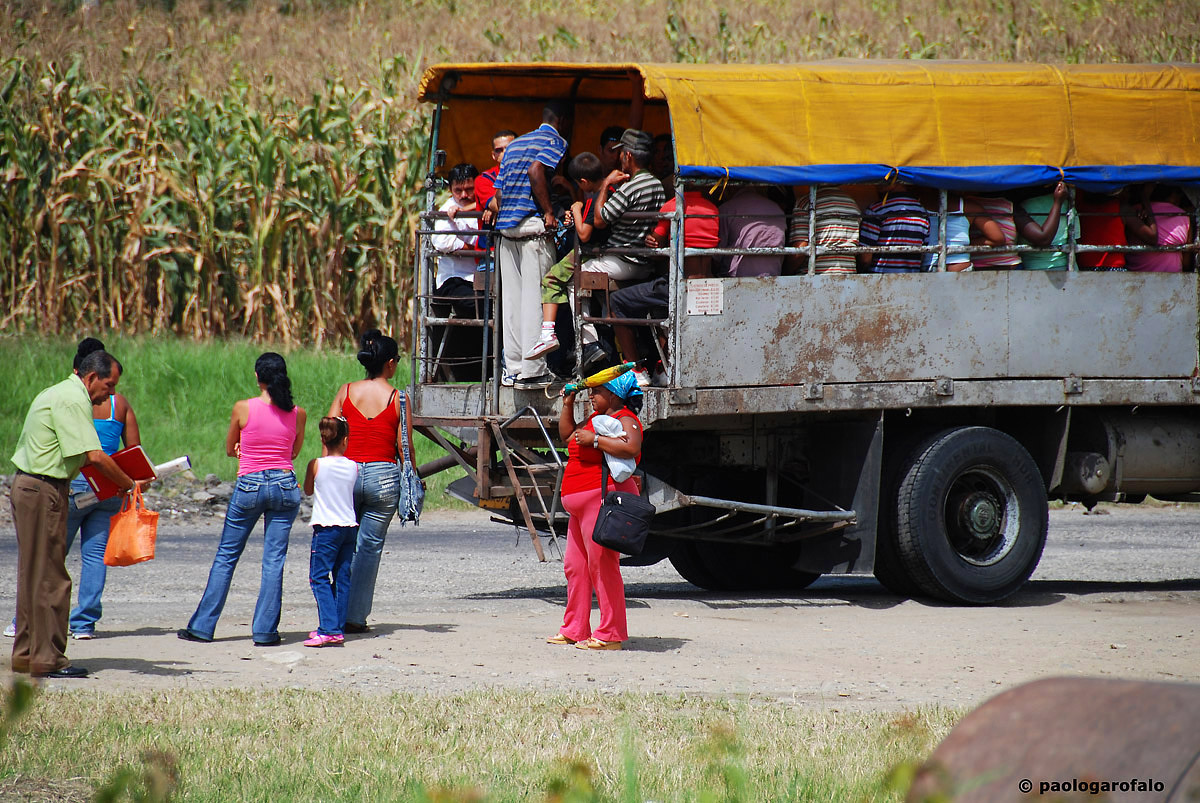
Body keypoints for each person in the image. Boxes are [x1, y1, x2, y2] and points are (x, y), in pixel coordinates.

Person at [11, 350, 139, 679]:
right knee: (53, 577)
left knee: (33, 574)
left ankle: (26, 654)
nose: (110, 393)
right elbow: (93, 455)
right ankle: (49, 658)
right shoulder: (73, 400)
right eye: (109, 385)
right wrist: (127, 483)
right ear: (91, 377)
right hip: (44, 490)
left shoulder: (57, 392)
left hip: (32, 486)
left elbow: (81, 457)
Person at [178, 353, 305, 646]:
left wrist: (242, 448)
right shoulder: (298, 412)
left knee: (227, 556)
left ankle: (202, 627)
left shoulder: (243, 407)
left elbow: (229, 448)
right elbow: (293, 452)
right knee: (274, 560)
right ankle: (265, 631)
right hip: (285, 484)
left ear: (257, 377)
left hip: (250, 484)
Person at [549, 370, 644, 651]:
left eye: (596, 390)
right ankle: (575, 628)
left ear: (613, 394)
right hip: (579, 504)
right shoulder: (594, 419)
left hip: (601, 501)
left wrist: (595, 441)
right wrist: (568, 402)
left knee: (601, 565)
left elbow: (632, 446)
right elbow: (567, 435)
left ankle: (611, 634)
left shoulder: (624, 418)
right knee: (575, 567)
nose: (590, 395)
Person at [326, 329, 414, 634]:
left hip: (346, 474)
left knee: (340, 544)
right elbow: (404, 446)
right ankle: (355, 617)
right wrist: (412, 478)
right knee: (369, 548)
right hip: (384, 478)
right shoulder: (398, 398)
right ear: (389, 364)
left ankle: (333, 614)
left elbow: (329, 434)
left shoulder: (346, 391)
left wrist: (327, 471)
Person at [486, 101, 571, 389]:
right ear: (561, 119)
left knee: (512, 303)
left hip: (507, 231)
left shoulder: (516, 144)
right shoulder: (554, 140)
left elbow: (498, 192)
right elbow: (537, 171)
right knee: (536, 299)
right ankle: (533, 372)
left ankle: (513, 369)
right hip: (533, 229)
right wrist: (548, 210)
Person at [610, 184, 720, 387]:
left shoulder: (672, 205)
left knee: (617, 300)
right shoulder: (712, 208)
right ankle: (664, 367)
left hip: (681, 283)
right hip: (708, 282)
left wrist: (652, 239)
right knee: (660, 307)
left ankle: (636, 370)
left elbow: (657, 240)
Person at [525, 152, 610, 367]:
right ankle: (581, 341)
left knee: (551, 280)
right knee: (564, 287)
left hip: (587, 251)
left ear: (583, 182)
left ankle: (548, 334)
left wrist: (578, 209)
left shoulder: (593, 199)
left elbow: (584, 234)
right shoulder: (609, 192)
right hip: (599, 251)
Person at [302, 417, 359, 647]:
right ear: (345, 441)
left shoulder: (316, 464)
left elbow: (307, 490)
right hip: (349, 527)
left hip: (326, 528)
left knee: (318, 577)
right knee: (342, 578)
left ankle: (329, 628)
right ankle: (336, 626)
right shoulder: (353, 466)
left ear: (322, 439)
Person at [431, 162, 484, 318]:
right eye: (458, 191)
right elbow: (442, 241)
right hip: (454, 280)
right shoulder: (446, 210)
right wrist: (476, 250)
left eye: (469, 189)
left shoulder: (483, 207)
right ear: (451, 190)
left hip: (480, 279)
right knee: (481, 304)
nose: (463, 195)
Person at [787, 187, 862, 275]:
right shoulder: (852, 204)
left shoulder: (806, 202)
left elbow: (800, 251)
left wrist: (784, 273)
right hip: (849, 274)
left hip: (815, 278)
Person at [715, 187, 787, 277]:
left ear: (729, 189)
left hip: (735, 279)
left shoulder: (726, 209)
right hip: (774, 275)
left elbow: (716, 255)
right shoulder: (777, 210)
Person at [859, 185, 930, 273]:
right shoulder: (922, 212)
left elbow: (865, 258)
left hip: (880, 281)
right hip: (912, 280)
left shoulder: (876, 210)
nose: (877, 184)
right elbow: (924, 253)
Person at [1124, 185, 1192, 273]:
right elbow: (1186, 263)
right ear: (1173, 194)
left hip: (1134, 278)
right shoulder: (1184, 216)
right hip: (1173, 280)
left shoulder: (1133, 211)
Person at [1014, 182, 1069, 271]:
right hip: (1065, 266)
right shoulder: (1067, 204)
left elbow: (1043, 239)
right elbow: (1075, 238)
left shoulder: (1021, 206)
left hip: (1033, 269)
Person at [965, 195, 1022, 270]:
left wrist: (965, 244)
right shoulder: (967, 204)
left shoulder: (966, 204)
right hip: (1007, 263)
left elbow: (998, 239)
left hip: (1006, 263)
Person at [473, 129, 516, 215]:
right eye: (499, 150)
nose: (504, 152)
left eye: (509, 148)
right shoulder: (483, 179)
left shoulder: (529, 172)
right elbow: (498, 206)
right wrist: (493, 209)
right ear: (493, 155)